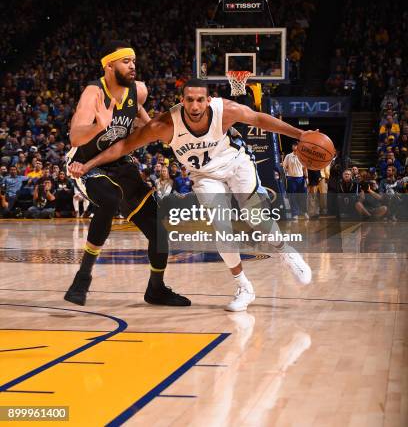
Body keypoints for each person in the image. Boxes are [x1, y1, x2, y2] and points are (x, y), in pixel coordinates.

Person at [69, 79, 314, 312]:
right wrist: (88, 165)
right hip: (204, 175)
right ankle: (243, 286)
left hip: (237, 164)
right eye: (189, 100)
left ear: (209, 100)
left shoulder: (225, 110)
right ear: (182, 100)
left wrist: (299, 135)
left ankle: (286, 252)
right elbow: (122, 147)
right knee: (222, 226)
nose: (195, 106)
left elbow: (260, 119)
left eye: (199, 100)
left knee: (255, 218)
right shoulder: (165, 125)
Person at [65, 41, 190, 307]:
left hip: (120, 162)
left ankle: (156, 289)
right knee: (109, 199)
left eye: (134, 61)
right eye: (125, 61)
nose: (132, 65)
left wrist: (160, 131)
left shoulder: (139, 90)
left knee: (159, 231)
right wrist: (98, 125)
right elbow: (76, 136)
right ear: (109, 65)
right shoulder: (93, 93)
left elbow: (140, 116)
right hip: (87, 164)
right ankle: (82, 277)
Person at [282, 142, 308, 221]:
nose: (295, 146)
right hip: (291, 179)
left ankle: (304, 212)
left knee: (302, 196)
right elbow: (284, 166)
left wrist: (306, 178)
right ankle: (295, 213)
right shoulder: (288, 156)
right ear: (292, 146)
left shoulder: (302, 156)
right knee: (292, 197)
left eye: (296, 145)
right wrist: (287, 171)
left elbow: (304, 168)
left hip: (301, 179)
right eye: (294, 145)